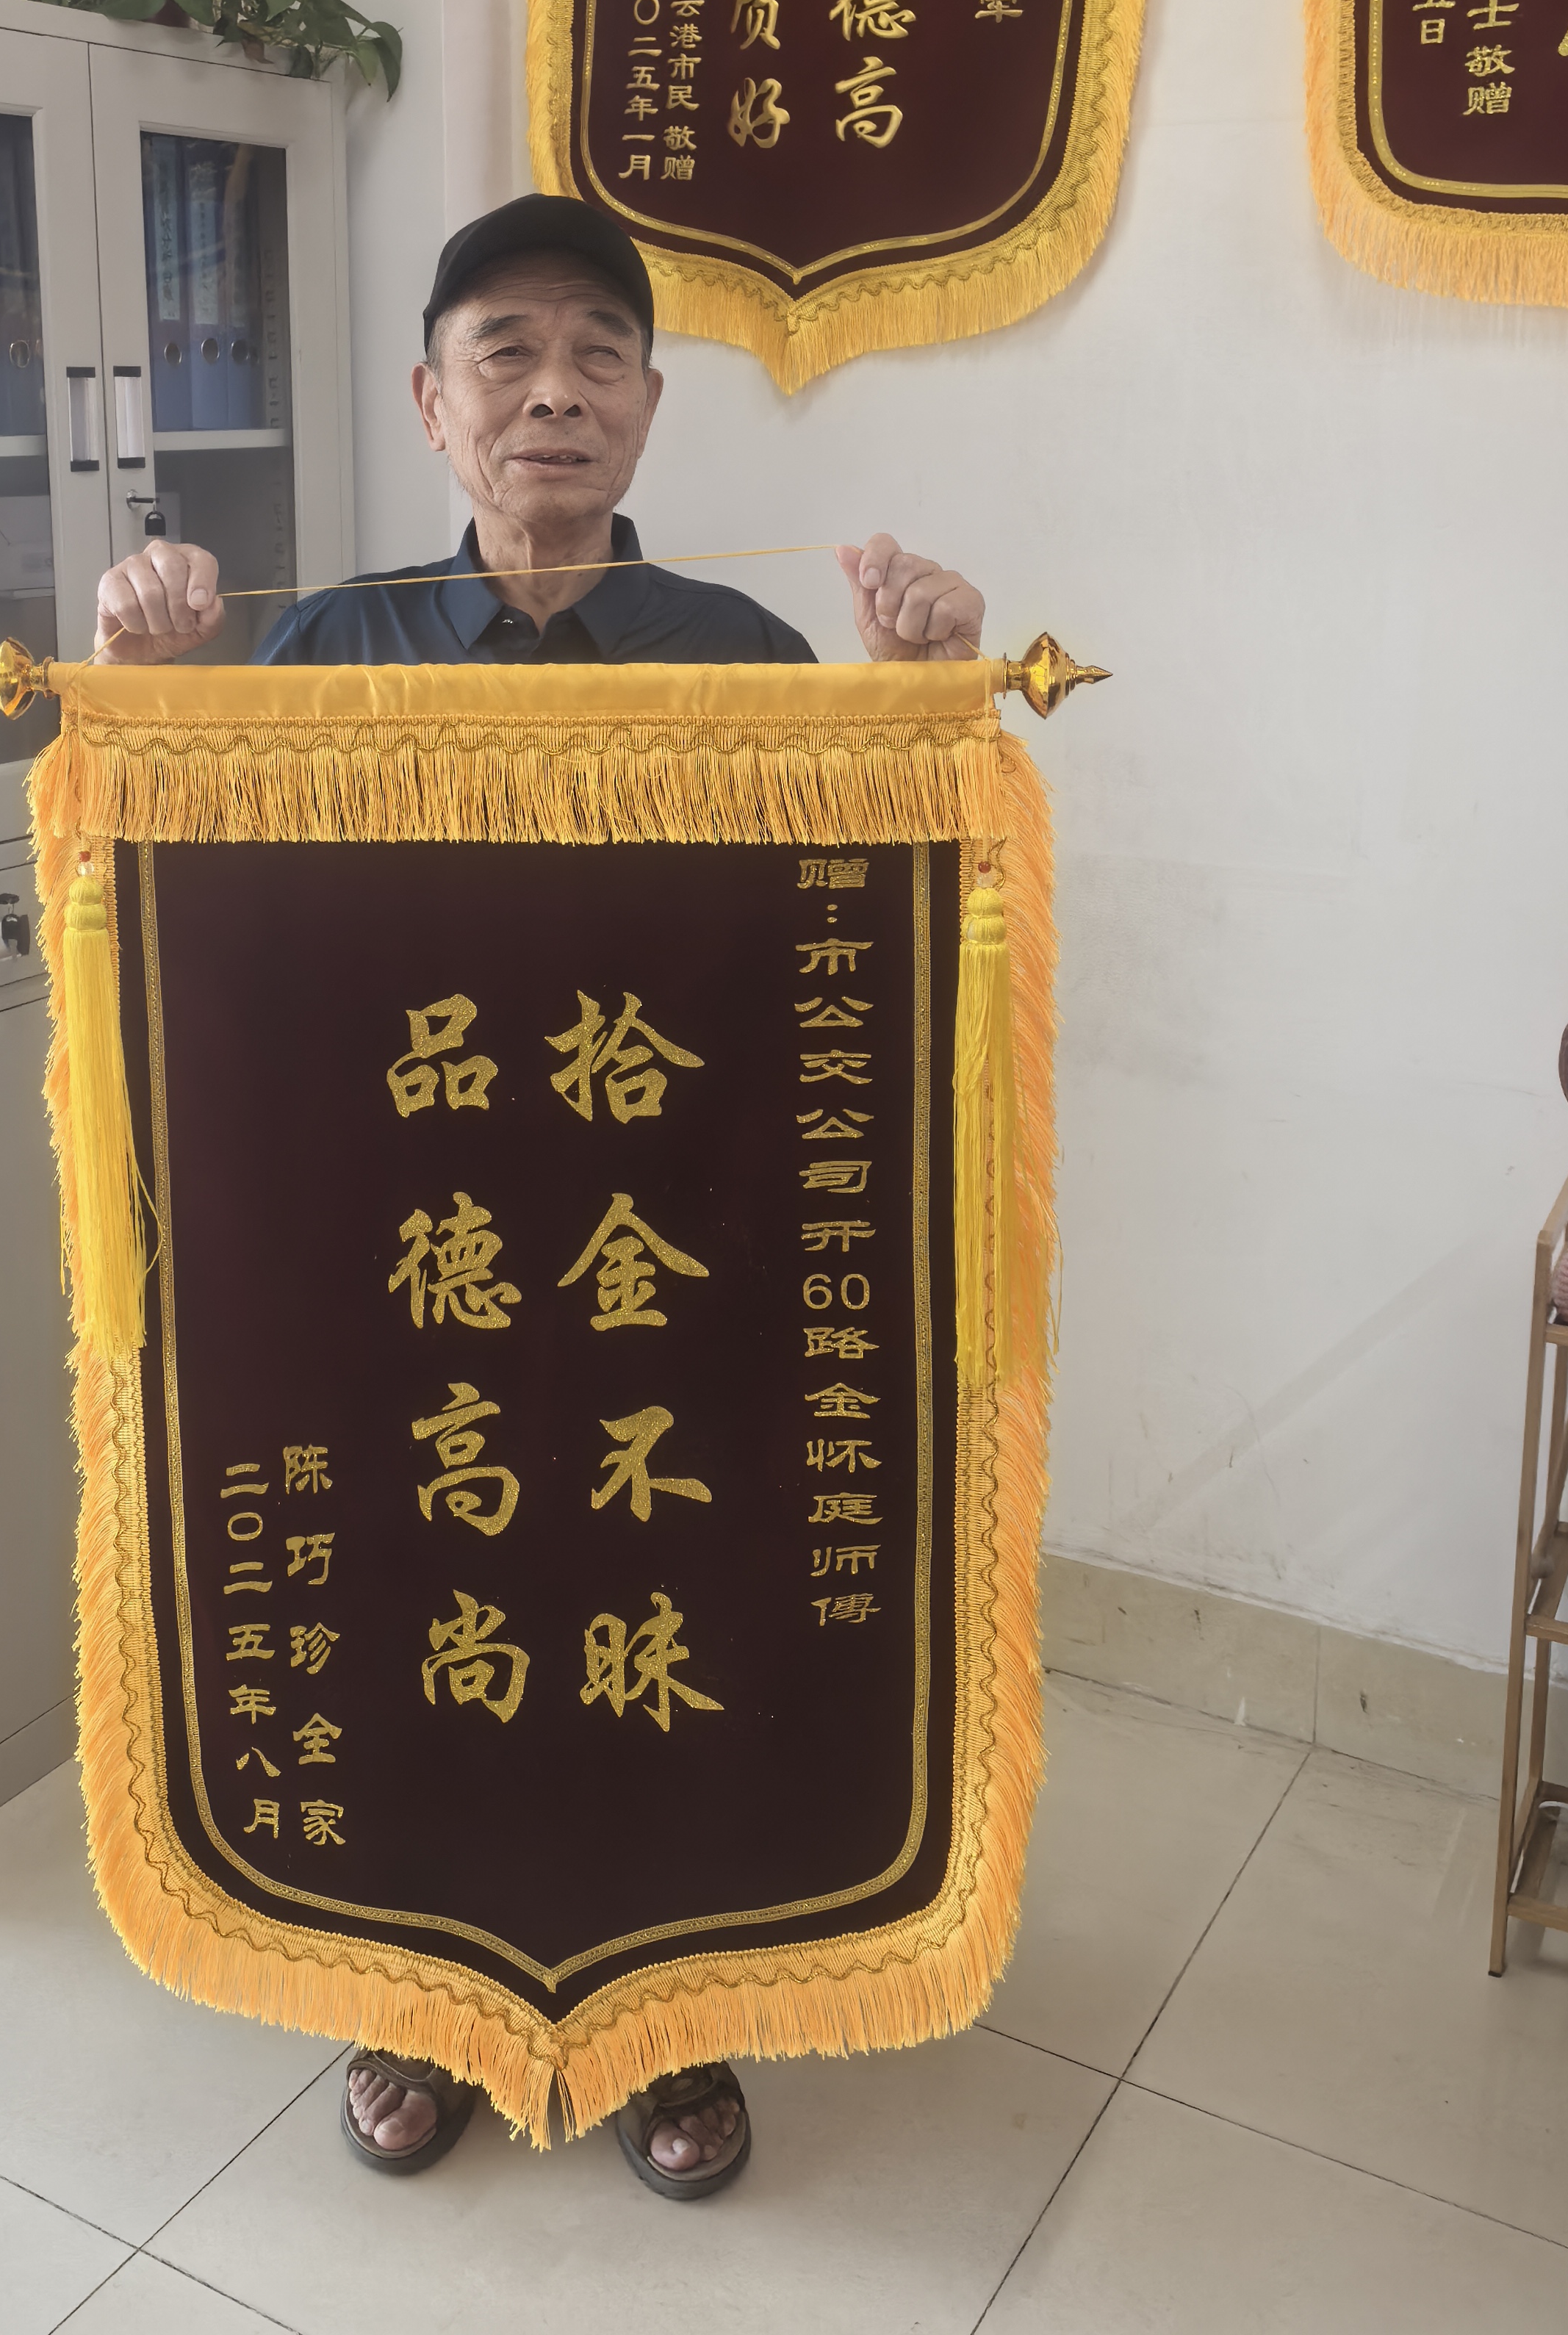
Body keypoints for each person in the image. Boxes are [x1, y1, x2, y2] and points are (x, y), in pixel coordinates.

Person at [93, 193, 986, 2199]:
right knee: (425, 1624)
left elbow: (856, 986)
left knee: (677, 1628)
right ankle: (416, 2002)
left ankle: (677, 2025)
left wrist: (910, 703)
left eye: (599, 356)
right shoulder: (319, 653)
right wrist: (155, 679)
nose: (554, 393)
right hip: (409, 1275)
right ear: (434, 403)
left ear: (651, 410)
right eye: (507, 352)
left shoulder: (749, 661)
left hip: (674, 1267)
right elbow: (206, 970)